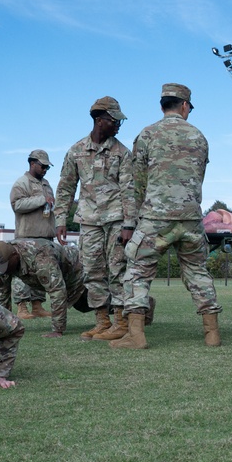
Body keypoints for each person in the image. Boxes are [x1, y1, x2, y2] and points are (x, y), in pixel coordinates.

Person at [116, 83, 222, 349]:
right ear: (185, 105)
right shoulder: (199, 136)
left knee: (138, 272)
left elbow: (137, 181)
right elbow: (199, 178)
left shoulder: (147, 134)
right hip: (190, 219)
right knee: (197, 272)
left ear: (162, 105)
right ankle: (212, 334)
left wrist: (139, 215)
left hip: (155, 218)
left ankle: (136, 335)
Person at [54, 96, 136, 342]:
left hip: (116, 221)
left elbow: (129, 190)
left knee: (118, 269)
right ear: (100, 121)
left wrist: (129, 223)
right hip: (89, 222)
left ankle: (121, 322)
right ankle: (102, 321)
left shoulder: (122, 153)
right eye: (114, 121)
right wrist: (60, 219)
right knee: (91, 272)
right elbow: (66, 187)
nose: (119, 126)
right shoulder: (76, 151)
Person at [0, 239, 92, 338]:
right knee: (82, 305)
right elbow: (1, 294)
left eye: (5, 266)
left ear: (15, 256)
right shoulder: (4, 262)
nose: (3, 271)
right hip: (63, 274)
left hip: (78, 271)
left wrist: (57, 329)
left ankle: (105, 321)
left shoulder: (41, 257)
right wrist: (2, 326)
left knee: (87, 302)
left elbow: (57, 291)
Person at [9, 149, 56, 321]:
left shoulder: (46, 184)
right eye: (42, 166)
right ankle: (22, 306)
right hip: (27, 237)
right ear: (32, 163)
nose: (45, 170)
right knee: (24, 273)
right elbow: (17, 205)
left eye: (47, 167)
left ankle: (37, 305)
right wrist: (41, 200)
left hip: (45, 237)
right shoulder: (21, 183)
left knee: (41, 273)